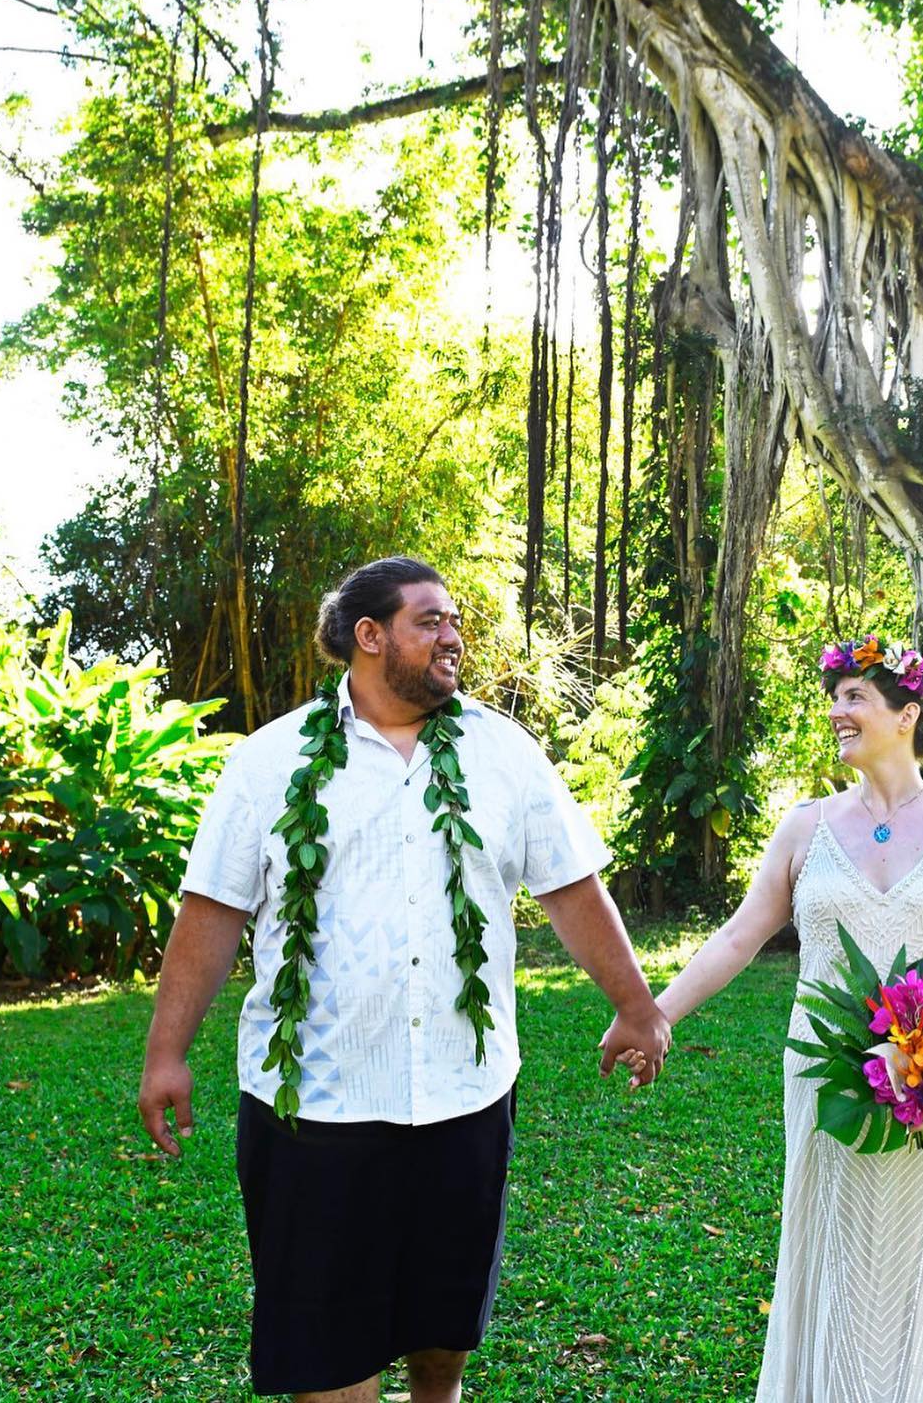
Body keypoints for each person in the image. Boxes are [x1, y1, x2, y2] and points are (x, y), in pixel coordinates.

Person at [138, 557, 669, 1403]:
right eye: (430, 620)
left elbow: (570, 884)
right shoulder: (269, 763)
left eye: (454, 620)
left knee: (440, 1348)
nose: (453, 636)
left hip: (464, 1099)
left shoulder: (503, 753)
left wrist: (635, 1005)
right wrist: (166, 1053)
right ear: (369, 636)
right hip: (315, 1109)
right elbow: (212, 911)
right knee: (330, 1364)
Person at [624, 635, 923, 1403]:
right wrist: (654, 1014)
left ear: (908, 713)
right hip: (827, 1071)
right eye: (834, 699)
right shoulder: (805, 828)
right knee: (832, 1247)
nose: (836, 713)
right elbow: (740, 935)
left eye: (854, 698)